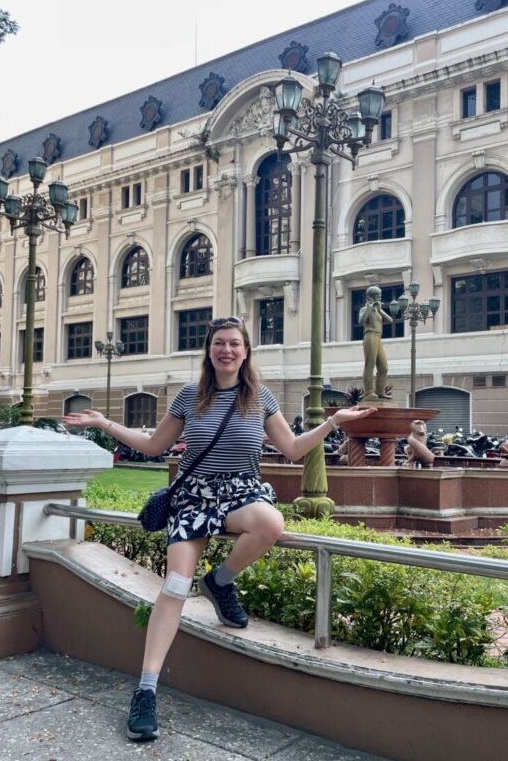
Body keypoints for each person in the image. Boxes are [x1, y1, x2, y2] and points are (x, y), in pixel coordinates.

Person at [63, 316, 374, 743]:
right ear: (209, 351)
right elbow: (155, 446)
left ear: (246, 352)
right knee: (174, 587)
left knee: (270, 522)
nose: (227, 350)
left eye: (235, 344)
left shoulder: (259, 398)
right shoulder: (189, 397)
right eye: (219, 344)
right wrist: (105, 424)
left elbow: (292, 449)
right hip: (192, 496)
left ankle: (219, 580)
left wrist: (333, 422)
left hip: (239, 494)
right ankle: (146, 691)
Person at [359, 285, 392, 400]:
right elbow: (361, 321)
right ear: (370, 297)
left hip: (378, 338)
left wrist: (379, 310)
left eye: (380, 296)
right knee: (370, 364)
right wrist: (369, 308)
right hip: (370, 336)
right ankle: (368, 392)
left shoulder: (378, 311)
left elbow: (390, 320)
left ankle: (380, 391)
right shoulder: (364, 309)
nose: (379, 298)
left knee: (384, 367)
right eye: (377, 296)